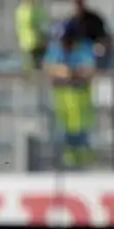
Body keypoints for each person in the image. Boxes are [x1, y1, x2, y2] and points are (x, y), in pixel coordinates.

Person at [44, 20, 96, 169]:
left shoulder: (83, 48)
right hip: (62, 106)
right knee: (64, 143)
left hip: (81, 106)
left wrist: (71, 73)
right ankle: (67, 164)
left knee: (82, 142)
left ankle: (84, 166)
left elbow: (88, 69)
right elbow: (49, 67)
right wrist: (65, 72)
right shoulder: (56, 49)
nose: (64, 44)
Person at [70, 0, 110, 69]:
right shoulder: (73, 20)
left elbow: (102, 36)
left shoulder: (94, 19)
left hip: (94, 47)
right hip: (79, 49)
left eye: (80, 2)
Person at [15, 0, 50, 71]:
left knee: (33, 67)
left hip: (33, 44)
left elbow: (44, 27)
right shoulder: (24, 10)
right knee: (33, 67)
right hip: (31, 44)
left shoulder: (20, 10)